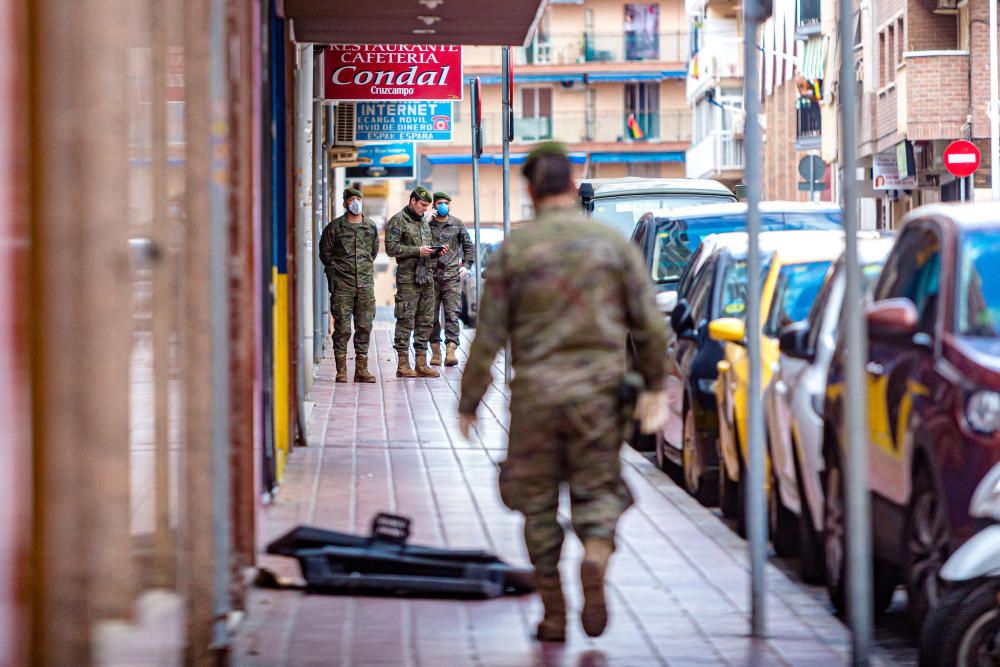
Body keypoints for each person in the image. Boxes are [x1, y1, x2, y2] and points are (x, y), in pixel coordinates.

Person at [457, 142, 668, 642]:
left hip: (535, 398)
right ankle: (595, 557)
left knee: (537, 506)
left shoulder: (515, 250)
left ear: (530, 190)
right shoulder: (611, 245)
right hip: (599, 398)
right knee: (596, 494)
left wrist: (470, 402)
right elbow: (651, 328)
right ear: (573, 186)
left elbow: (487, 336)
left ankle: (553, 615)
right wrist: (654, 388)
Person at [385, 186, 447, 378]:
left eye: (427, 206)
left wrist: (436, 253)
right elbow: (391, 248)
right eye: (422, 205)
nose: (424, 209)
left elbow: (425, 250)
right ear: (412, 201)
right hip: (408, 279)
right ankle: (403, 365)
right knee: (405, 320)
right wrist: (416, 251)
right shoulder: (398, 220)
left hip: (426, 277)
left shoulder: (424, 223)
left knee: (426, 321)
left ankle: (421, 363)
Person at [318, 187, 379, 383]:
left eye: (358, 198)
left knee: (364, 327)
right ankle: (341, 370)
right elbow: (325, 254)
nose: (355, 202)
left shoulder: (370, 226)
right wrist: (338, 271)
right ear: (345, 203)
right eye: (352, 199)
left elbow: (373, 252)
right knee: (342, 328)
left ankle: (361, 369)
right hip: (342, 286)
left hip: (365, 286)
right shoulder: (334, 227)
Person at [428, 191, 474, 367]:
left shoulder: (457, 224)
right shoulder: (427, 225)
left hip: (451, 276)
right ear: (434, 205)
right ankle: (435, 351)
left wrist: (466, 266)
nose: (443, 206)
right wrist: (426, 221)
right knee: (430, 316)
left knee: (452, 314)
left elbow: (469, 247)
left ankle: (451, 350)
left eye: (446, 203)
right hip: (431, 277)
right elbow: (417, 242)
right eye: (439, 202)